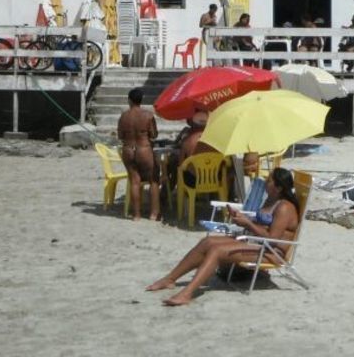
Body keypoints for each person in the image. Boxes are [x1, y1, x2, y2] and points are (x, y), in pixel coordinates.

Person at [146, 167, 300, 306]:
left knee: (217, 251)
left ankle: (187, 293)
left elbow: (272, 239)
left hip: (271, 253)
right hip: (257, 244)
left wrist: (247, 224)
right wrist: (241, 217)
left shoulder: (285, 207)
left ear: (278, 188)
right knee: (208, 242)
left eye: (270, 180)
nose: (266, 182)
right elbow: (262, 224)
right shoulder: (271, 200)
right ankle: (170, 279)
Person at [117, 88, 160, 221]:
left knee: (134, 182)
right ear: (141, 100)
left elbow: (120, 136)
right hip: (144, 150)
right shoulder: (148, 115)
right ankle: (153, 214)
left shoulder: (124, 116)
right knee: (153, 180)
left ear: (129, 100)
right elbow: (153, 135)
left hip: (129, 150)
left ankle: (136, 215)